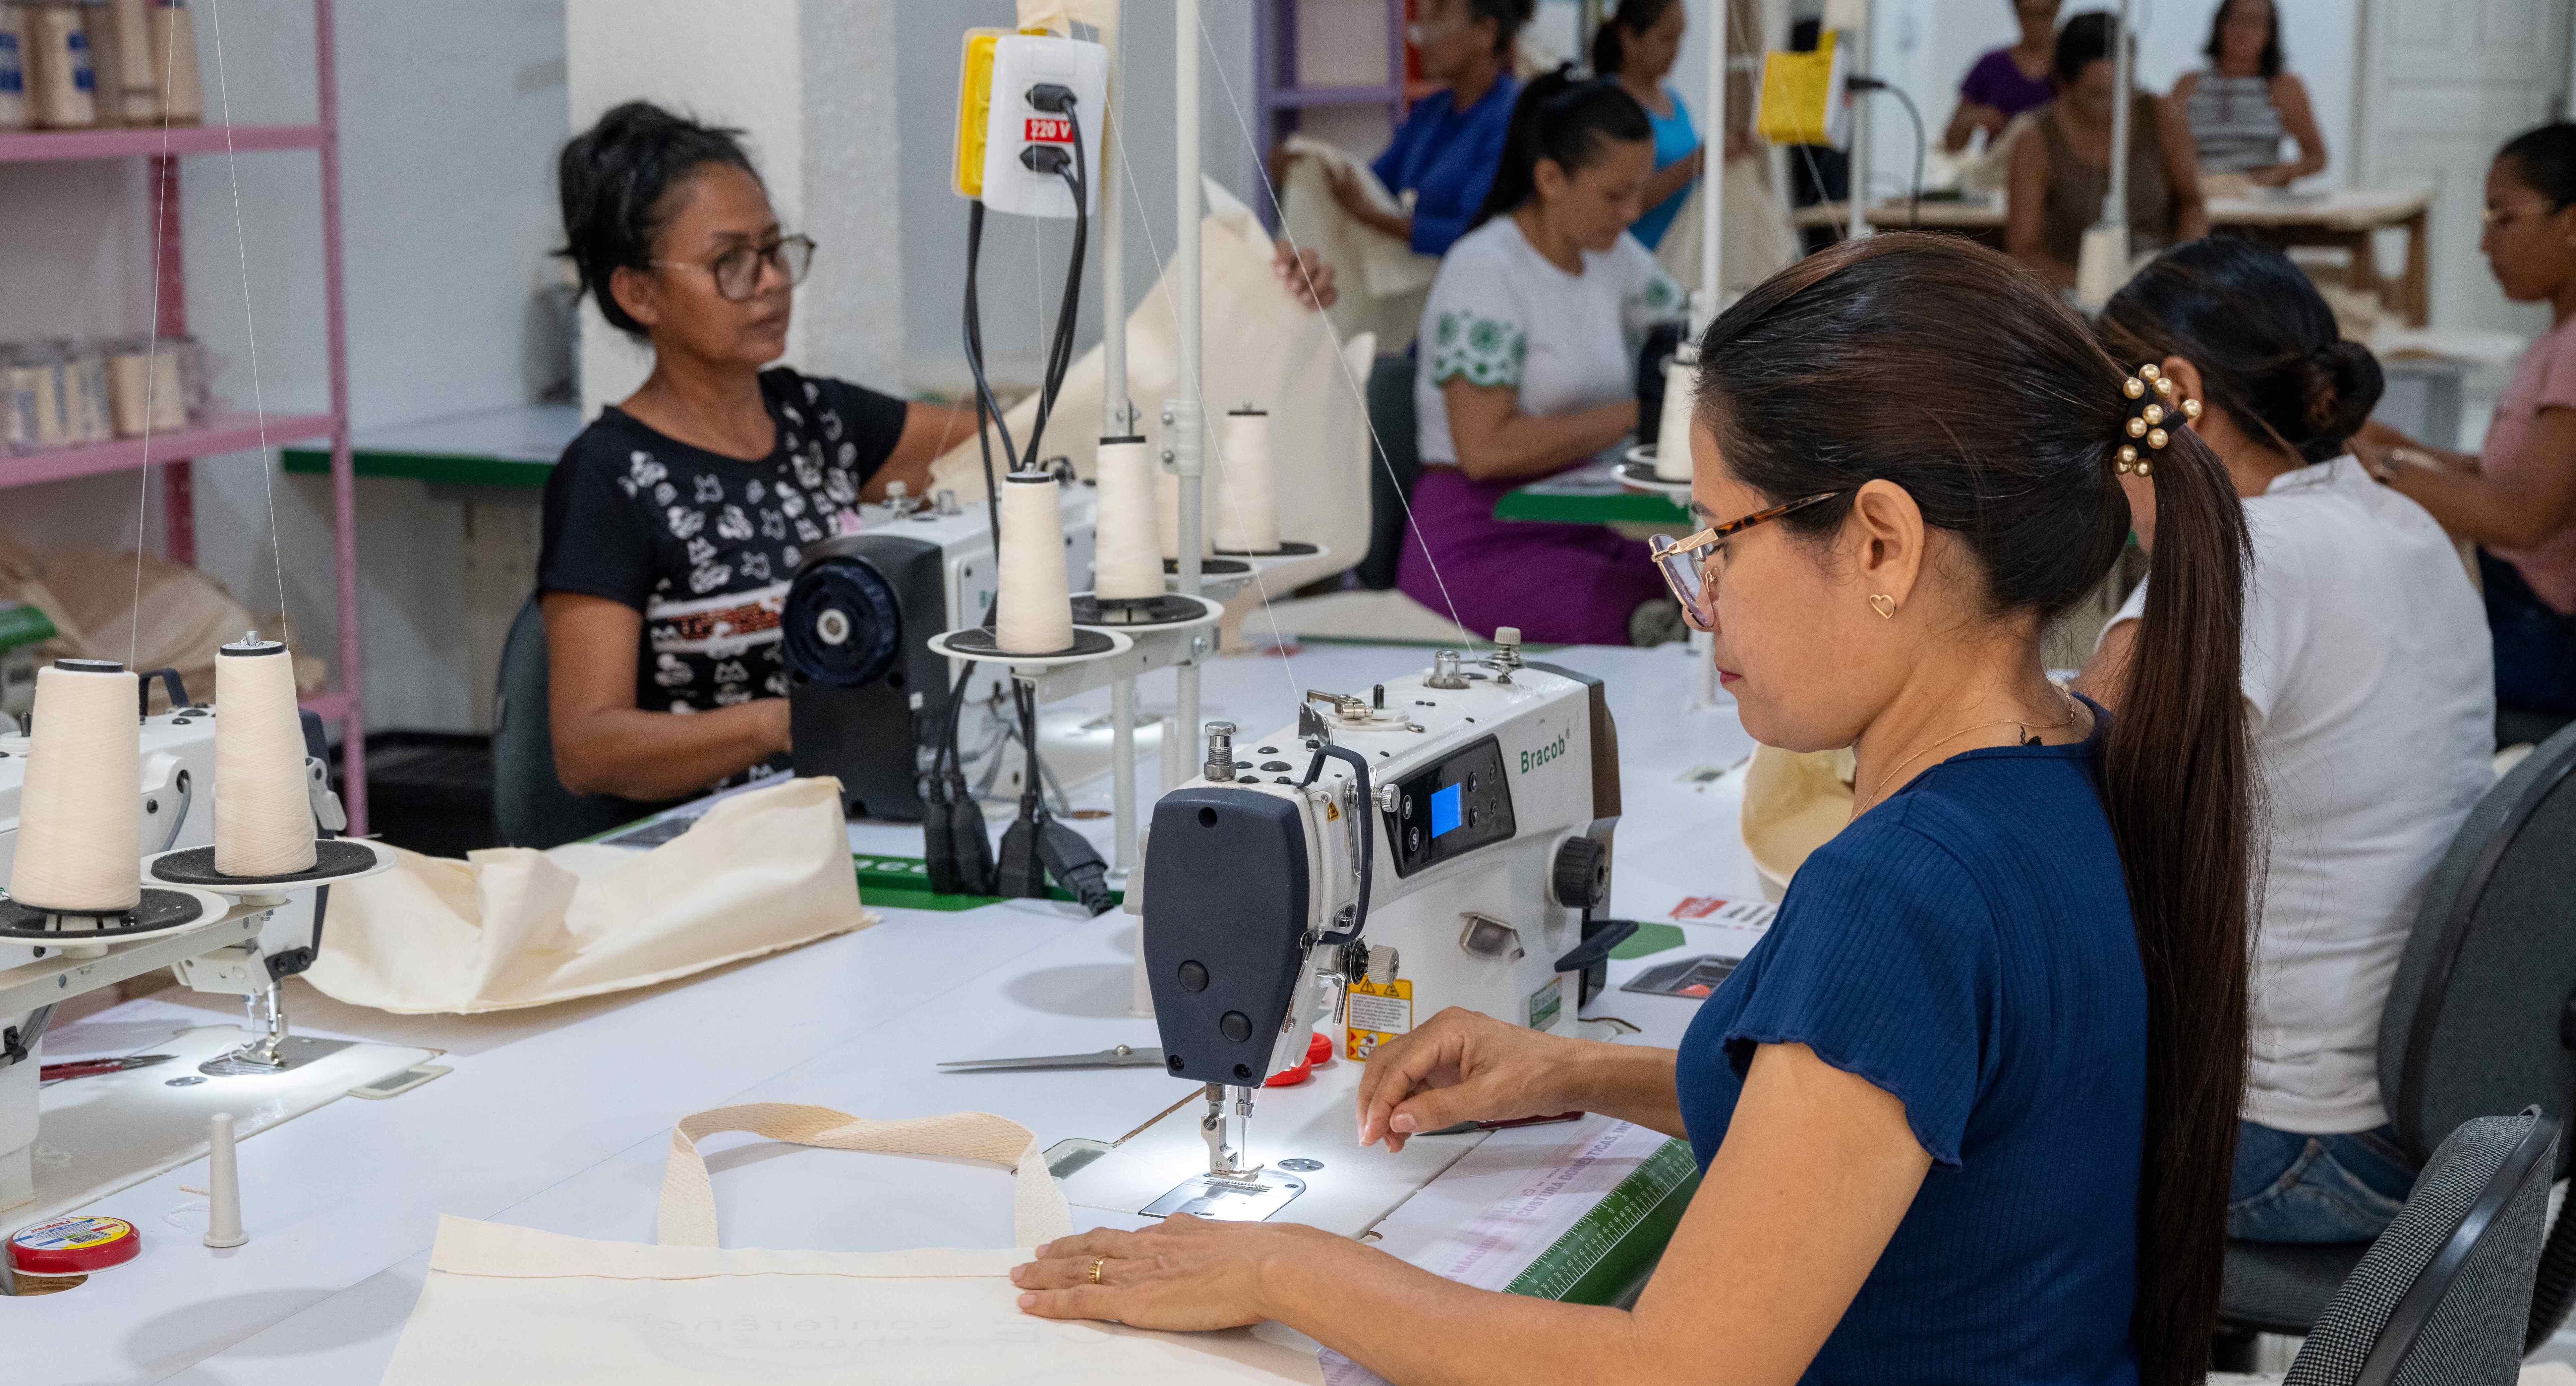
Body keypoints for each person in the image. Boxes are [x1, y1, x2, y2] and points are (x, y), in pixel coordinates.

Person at [1009, 233, 2255, 1386]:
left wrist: (1279, 1266)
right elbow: (1904, 1111)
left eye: (1719, 535)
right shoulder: (2076, 762)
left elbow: (1678, 1371)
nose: (1698, 591)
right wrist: (1578, 1070)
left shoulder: (1905, 887)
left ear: (1880, 544)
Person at [536, 106, 1329, 812]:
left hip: (847, 814)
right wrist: (799, 718)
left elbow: (1040, 440)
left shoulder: (818, 421)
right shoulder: (609, 477)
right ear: (638, 294)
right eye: (731, 262)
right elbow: (588, 747)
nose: (773, 281)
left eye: (777, 249)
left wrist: (1253, 317)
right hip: (710, 850)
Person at [2082, 238, 2493, 1243]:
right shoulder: (2403, 524)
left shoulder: (2246, 556)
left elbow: (2042, 791)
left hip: (2294, 1144)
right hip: (2426, 1116)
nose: (2101, 466)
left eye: (2106, 427)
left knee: (1949, 1150)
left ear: (2171, 395)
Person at [1394, 70, 1686, 646]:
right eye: (1614, 194)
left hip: (1574, 526)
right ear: (1550, 178)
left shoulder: (1610, 257)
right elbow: (1484, 451)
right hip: (1477, 539)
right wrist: (1642, 413)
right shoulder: (1485, 269)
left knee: (1714, 586)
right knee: (1656, 616)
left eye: (1638, 190)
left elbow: (1694, 329)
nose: (1633, 211)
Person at [2356, 123, 2576, 722]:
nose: (2485, 246)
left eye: (2502, 220)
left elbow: (2523, 518)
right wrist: (2388, 442)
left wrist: (2379, 466)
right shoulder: (2556, 339)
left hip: (2546, 641)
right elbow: (2502, 473)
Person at [1310, 0, 1533, 261]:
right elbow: (1375, 182)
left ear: (1486, 32)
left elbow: (1478, 234)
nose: (1421, 37)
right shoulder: (1432, 110)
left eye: (1438, 17)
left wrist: (1374, 218)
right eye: (1422, 21)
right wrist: (1311, 165)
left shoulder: (1514, 117)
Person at [2009, 12, 2208, 292]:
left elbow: (2192, 203)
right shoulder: (2035, 141)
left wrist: (2183, 268)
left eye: (2124, 89)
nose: (2116, 105)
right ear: (2065, 85)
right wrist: (2093, 287)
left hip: (2158, 288)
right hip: (2074, 296)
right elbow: (2023, 251)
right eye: (2099, 94)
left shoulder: (2162, 118)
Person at [2172, 0, 2327, 188]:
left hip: (2260, 203)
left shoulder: (2284, 87)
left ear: (2270, 33)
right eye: (2237, 19)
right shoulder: (2189, 85)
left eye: (2255, 22)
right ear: (2221, 24)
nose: (2244, 31)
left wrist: (2279, 174)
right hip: (2203, 198)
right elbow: (2166, 149)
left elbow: (2317, 157)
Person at [1595, 0, 1699, 252]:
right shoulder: (1607, 103)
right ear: (1629, 38)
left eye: (1679, 39)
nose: (1676, 51)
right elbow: (1618, 198)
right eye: (1666, 39)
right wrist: (1702, 161)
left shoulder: (1676, 103)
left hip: (1677, 259)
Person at [1944, 0, 2060, 154]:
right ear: (2017, 12)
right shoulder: (1991, 65)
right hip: (2001, 170)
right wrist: (1973, 117)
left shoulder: (2071, 67)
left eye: (2044, 14)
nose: (2036, 23)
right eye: (2028, 14)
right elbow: (1953, 143)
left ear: (2057, 10)